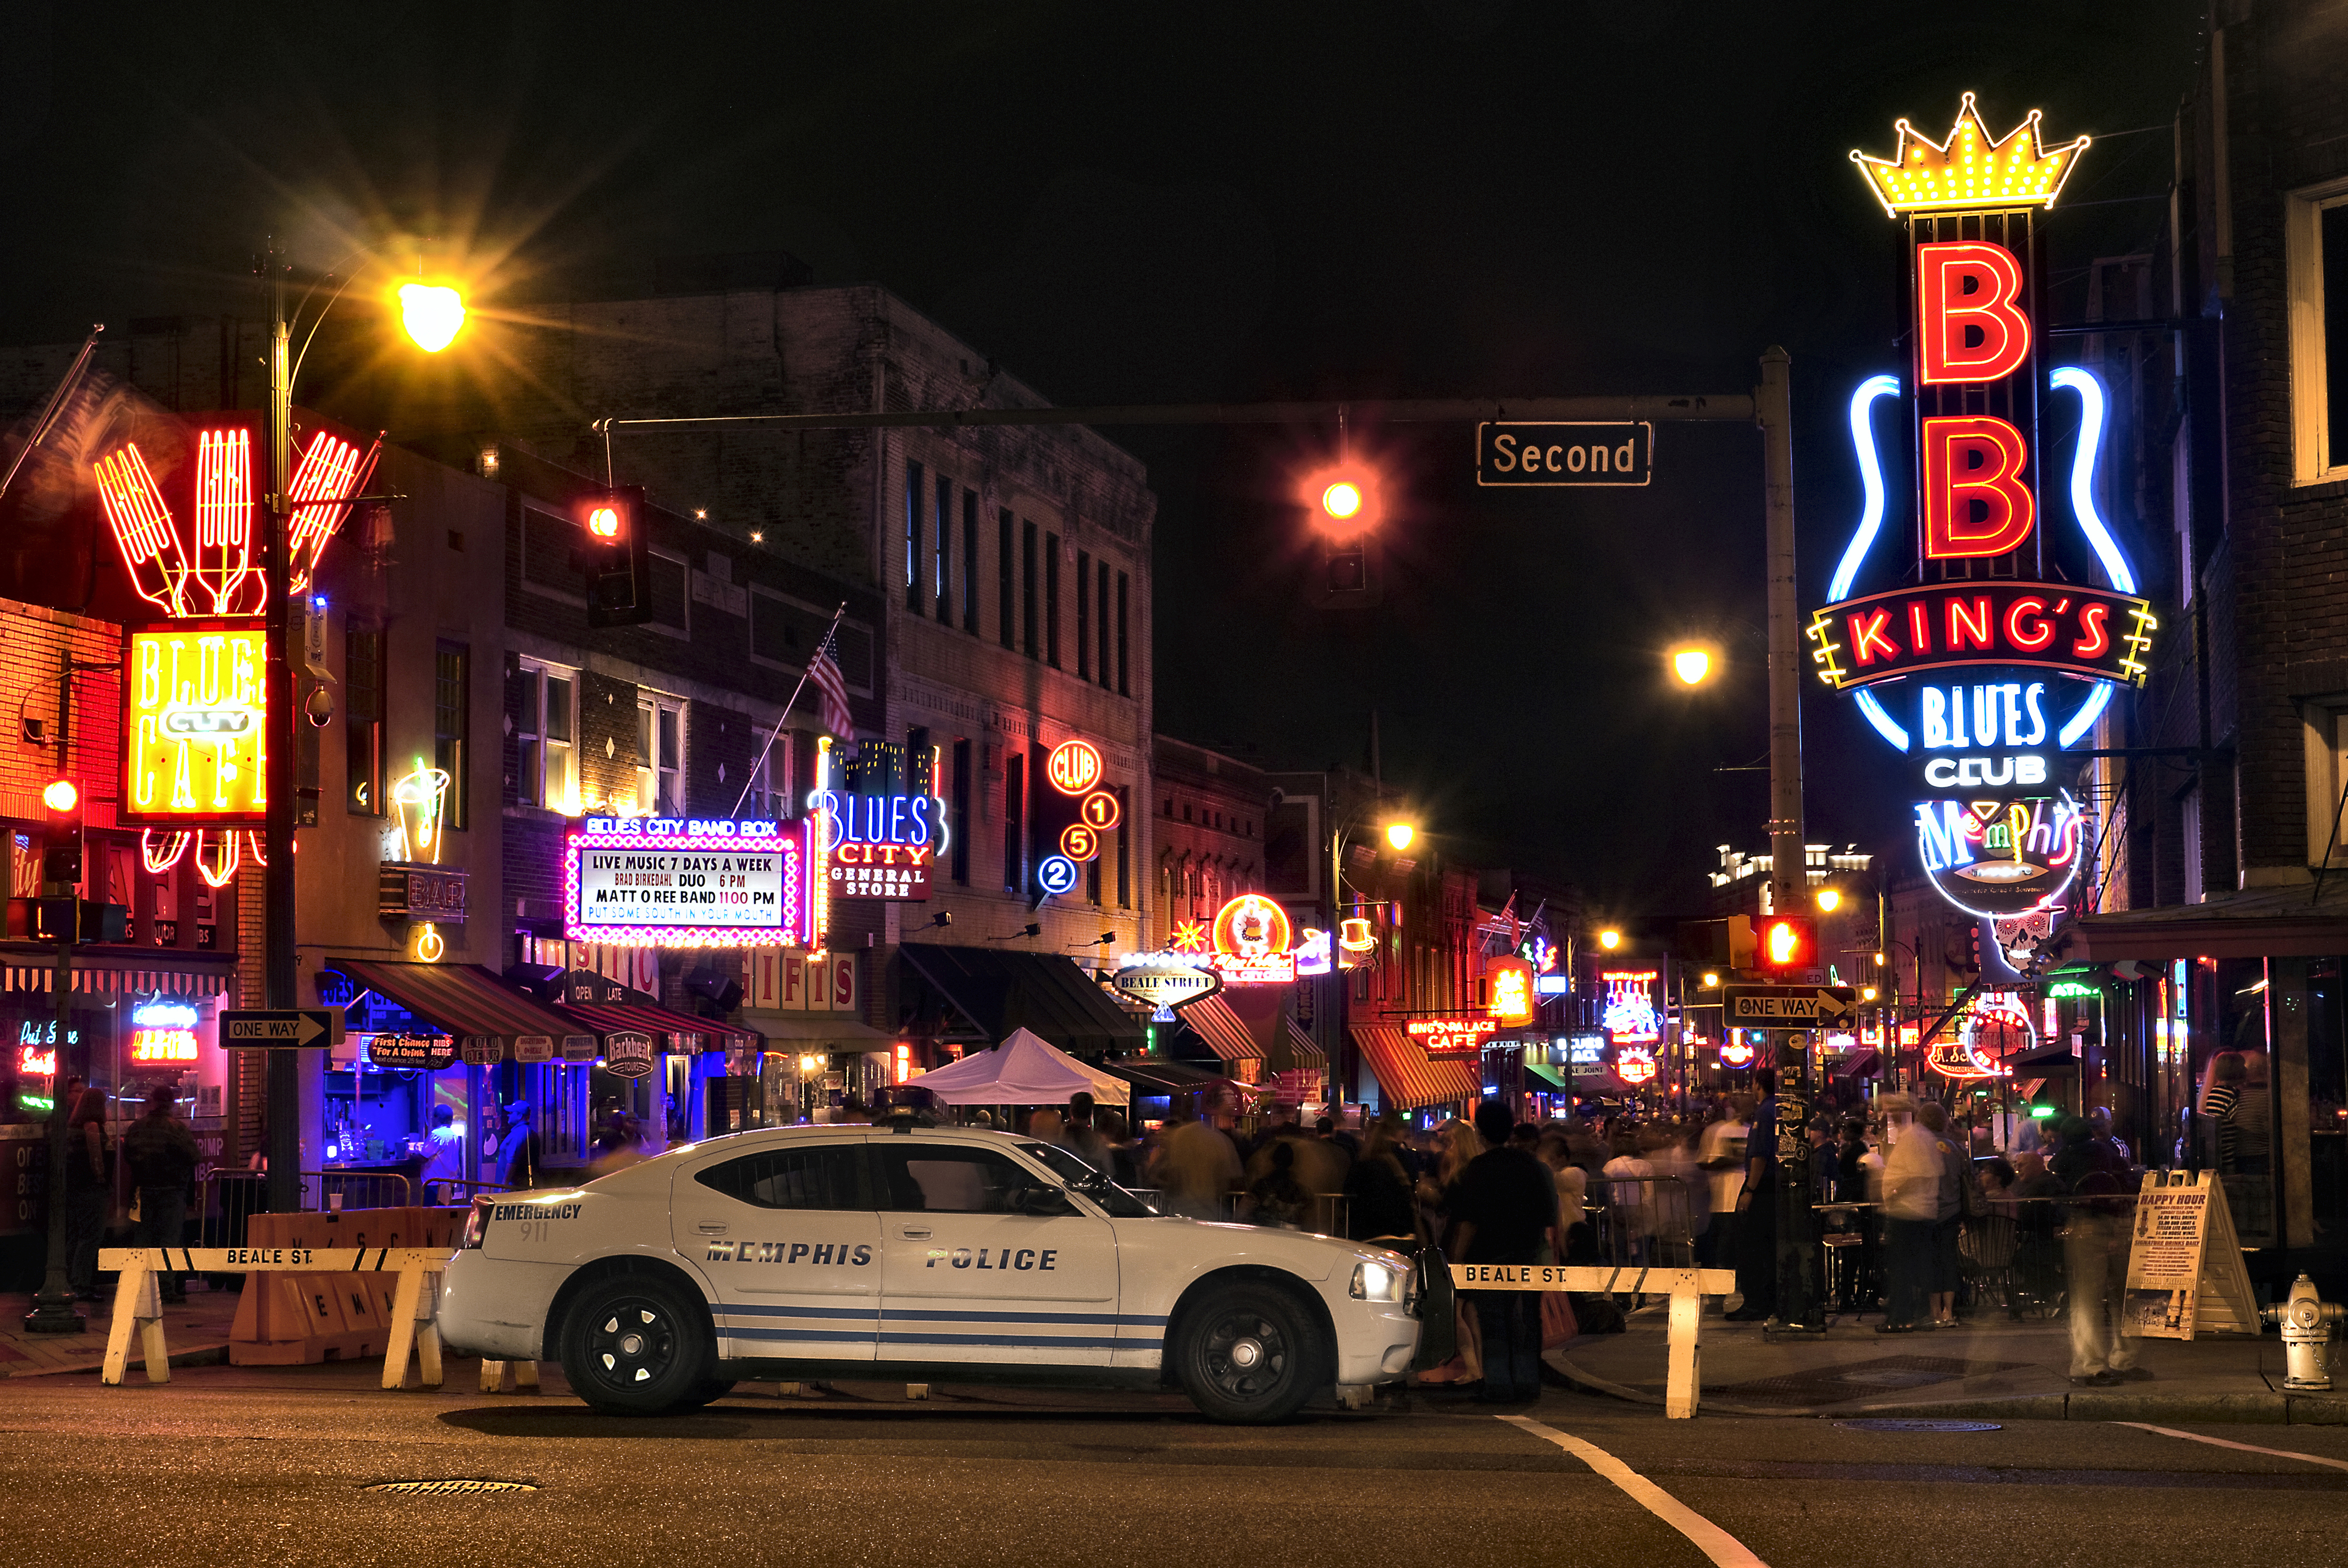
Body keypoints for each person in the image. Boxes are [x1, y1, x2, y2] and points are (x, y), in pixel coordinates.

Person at [1448, 1100, 1559, 1404]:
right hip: (1528, 1252)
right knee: (1526, 1320)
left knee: (1493, 1322)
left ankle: (1498, 1384)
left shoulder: (1479, 1168)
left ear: (1481, 1132)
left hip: (1490, 1254)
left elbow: (1469, 1220)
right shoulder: (1532, 1166)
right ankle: (1527, 1381)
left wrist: (1457, 1259)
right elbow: (1549, 1215)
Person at [122, 1084, 198, 1303]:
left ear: (153, 1101)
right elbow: (194, 1156)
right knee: (169, 1240)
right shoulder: (177, 1128)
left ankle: (138, 1285)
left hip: (144, 1190)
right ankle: (165, 1289)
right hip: (172, 1191)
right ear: (172, 1103)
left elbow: (128, 1155)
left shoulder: (137, 1127)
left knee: (143, 1239)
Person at [1877, 1095, 1939, 1332]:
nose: (1888, 1114)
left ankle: (1901, 1318)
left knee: (1901, 1269)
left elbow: (1916, 1174)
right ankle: (1916, 1315)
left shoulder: (1914, 1137)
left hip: (1908, 1211)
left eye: (1893, 1109)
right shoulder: (1919, 1136)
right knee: (1914, 1268)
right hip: (1916, 1211)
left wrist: (1893, 1193)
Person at [64, 1087, 111, 1302]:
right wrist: (103, 1181)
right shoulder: (93, 1129)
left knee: (75, 1236)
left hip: (74, 1189)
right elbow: (98, 1161)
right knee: (91, 1237)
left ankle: (69, 1281)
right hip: (92, 1189)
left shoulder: (72, 1128)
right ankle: (81, 1284)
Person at [1696, 1096, 1749, 1279]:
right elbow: (1710, 1162)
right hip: (1725, 1197)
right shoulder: (1723, 1131)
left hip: (1743, 1194)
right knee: (1725, 1240)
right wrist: (1737, 1159)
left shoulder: (1751, 1130)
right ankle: (1721, 1276)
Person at [1344, 1116, 1418, 1242]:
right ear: (1399, 1132)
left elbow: (1348, 1192)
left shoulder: (1364, 1159)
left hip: (1368, 1231)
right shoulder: (1407, 1158)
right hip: (1402, 1229)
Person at [1244, 1140, 1309, 1228]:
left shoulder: (1262, 1187)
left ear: (1272, 1161)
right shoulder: (1301, 1192)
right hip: (1291, 1234)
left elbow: (1241, 1213)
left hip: (1263, 1232)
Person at [420, 1105, 466, 1203]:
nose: (431, 1119)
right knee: (444, 1210)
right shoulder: (454, 1135)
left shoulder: (436, 1134)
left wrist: (411, 1155)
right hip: (448, 1183)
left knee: (431, 1210)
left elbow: (424, 1157)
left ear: (437, 1118)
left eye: (433, 1116)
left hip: (434, 1184)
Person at [494, 1101, 540, 1191]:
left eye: (511, 1113)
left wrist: (504, 1186)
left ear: (520, 1116)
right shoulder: (529, 1132)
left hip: (512, 1189)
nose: (508, 1115)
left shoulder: (519, 1135)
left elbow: (512, 1162)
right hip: (521, 1187)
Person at [1062, 1092, 1111, 1174]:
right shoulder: (1100, 1143)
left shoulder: (1059, 1137)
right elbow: (1108, 1173)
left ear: (1071, 1111)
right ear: (1091, 1113)